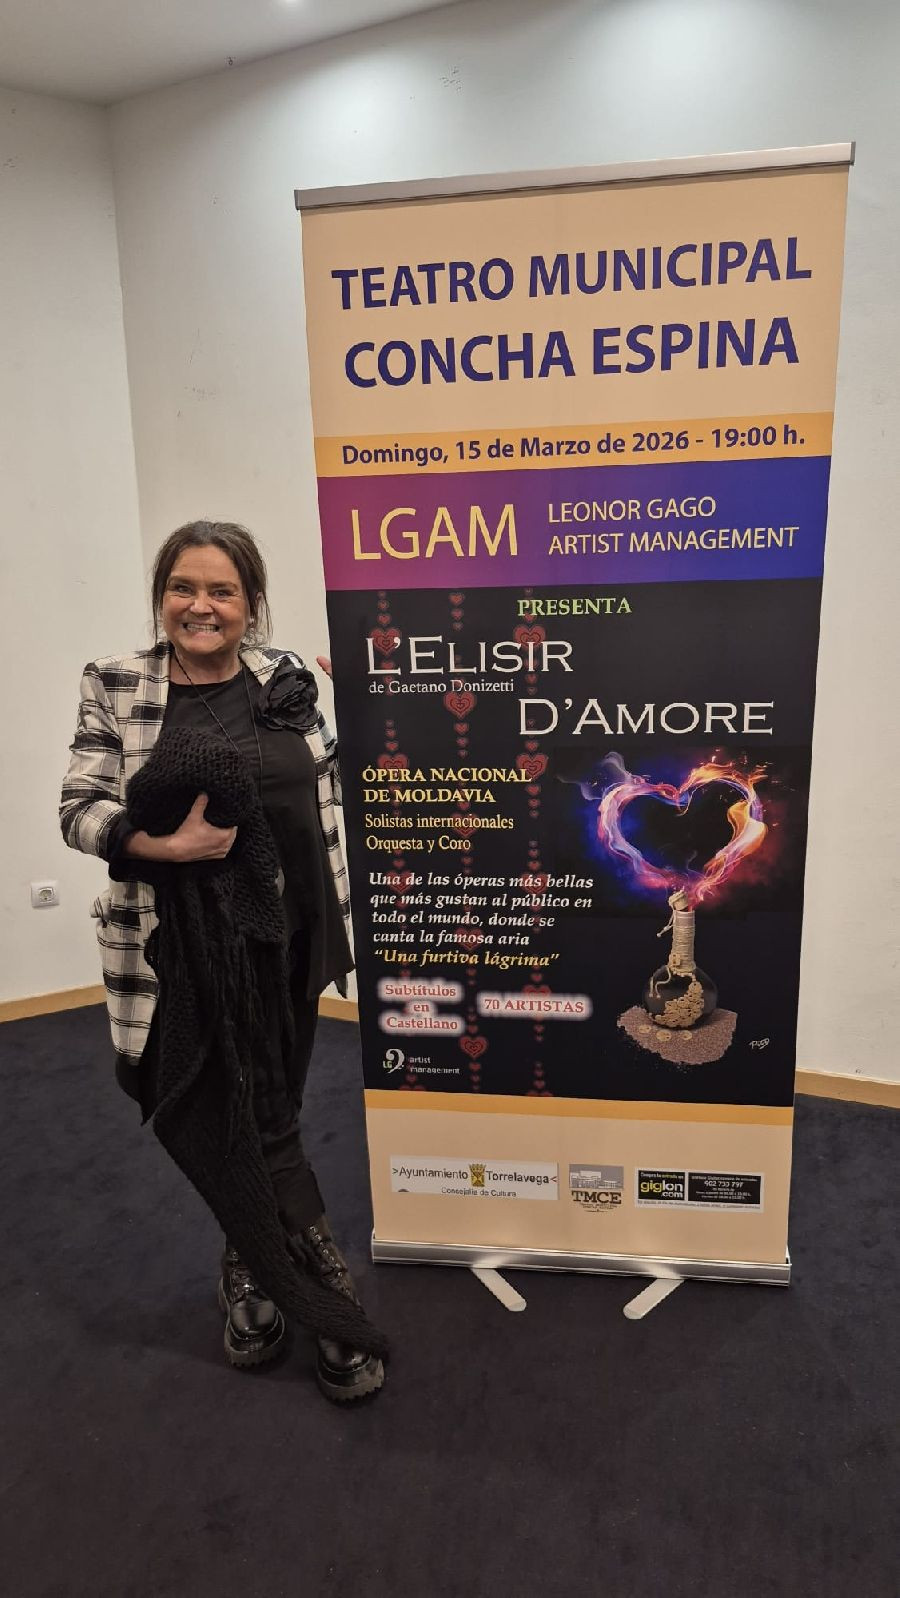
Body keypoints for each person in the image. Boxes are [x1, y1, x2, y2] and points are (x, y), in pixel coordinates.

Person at [60, 519, 386, 1402]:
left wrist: (367, 708)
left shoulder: (284, 679)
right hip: (190, 951)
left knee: (272, 1102)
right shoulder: (117, 681)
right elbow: (80, 808)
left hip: (296, 930)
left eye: (222, 591)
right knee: (254, 1111)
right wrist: (162, 848)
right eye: (183, 587)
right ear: (161, 596)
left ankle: (249, 1263)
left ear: (251, 604)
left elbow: (330, 779)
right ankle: (326, 1294)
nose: (200, 606)